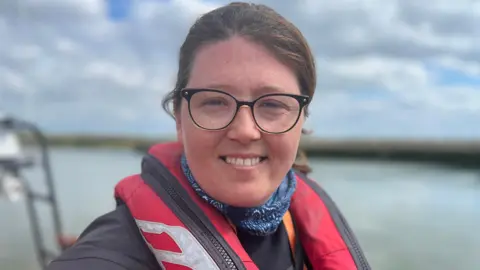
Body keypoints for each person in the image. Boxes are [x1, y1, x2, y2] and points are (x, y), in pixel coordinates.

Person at [47, 2, 371, 270]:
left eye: (272, 104)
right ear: (179, 116)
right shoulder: (109, 254)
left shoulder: (302, 227)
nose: (245, 131)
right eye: (215, 102)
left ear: (302, 119)